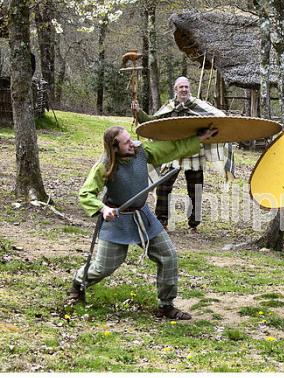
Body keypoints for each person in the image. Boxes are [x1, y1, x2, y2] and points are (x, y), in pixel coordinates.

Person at [65, 125, 215, 320]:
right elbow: (86, 193)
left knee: (168, 256)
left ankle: (166, 305)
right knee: (104, 267)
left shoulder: (142, 152)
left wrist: (199, 139)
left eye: (131, 139)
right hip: (117, 219)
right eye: (126, 142)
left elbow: (172, 148)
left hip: (143, 216)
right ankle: (78, 284)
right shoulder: (105, 165)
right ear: (114, 147)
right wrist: (103, 209)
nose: (132, 144)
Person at [131, 76, 234, 231]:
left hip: (194, 153)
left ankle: (194, 224)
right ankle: (162, 221)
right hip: (174, 153)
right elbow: (151, 122)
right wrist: (138, 112)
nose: (184, 90)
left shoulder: (198, 105)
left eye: (186, 87)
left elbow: (220, 118)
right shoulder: (169, 107)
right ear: (175, 89)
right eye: (181, 87)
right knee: (163, 187)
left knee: (195, 190)